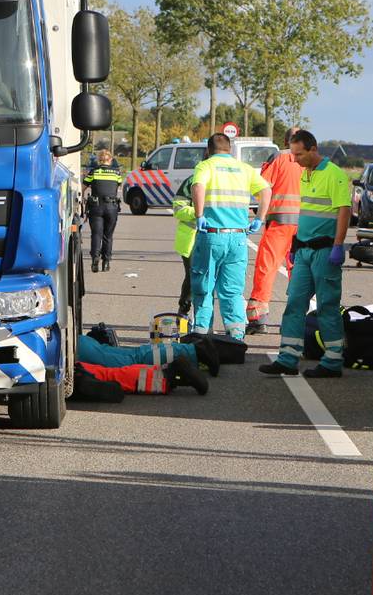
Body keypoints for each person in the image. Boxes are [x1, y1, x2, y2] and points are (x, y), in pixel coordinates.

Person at [259, 129, 353, 378]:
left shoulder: (335, 175)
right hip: (303, 250)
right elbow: (306, 212)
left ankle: (332, 361)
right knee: (294, 304)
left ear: (313, 149)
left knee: (327, 306)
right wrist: (296, 243)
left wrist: (338, 245)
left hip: (325, 251)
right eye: (293, 154)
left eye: (299, 154)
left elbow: (344, 211)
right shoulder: (304, 174)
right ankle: (287, 358)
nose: (295, 159)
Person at [189, 133, 271, 341]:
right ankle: (235, 337)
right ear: (230, 149)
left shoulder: (206, 166)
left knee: (204, 287)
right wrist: (259, 218)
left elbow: (197, 186)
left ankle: (202, 335)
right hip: (238, 238)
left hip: (212, 235)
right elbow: (266, 190)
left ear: (208, 150)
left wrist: (199, 215)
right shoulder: (244, 169)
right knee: (232, 291)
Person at [245, 129, 303, 334]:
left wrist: (260, 216)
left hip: (280, 223)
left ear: (285, 141)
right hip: (305, 225)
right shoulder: (313, 162)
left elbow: (262, 188)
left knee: (266, 267)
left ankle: (258, 318)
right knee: (300, 271)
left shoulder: (279, 157)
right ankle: (299, 320)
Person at [77, 332, 214, 395]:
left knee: (112, 375)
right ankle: (192, 350)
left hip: (73, 353)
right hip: (77, 344)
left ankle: (167, 375)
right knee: (134, 356)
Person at [83, 148, 122, 272]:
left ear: (99, 160)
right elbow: (118, 185)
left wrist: (82, 200)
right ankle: (106, 262)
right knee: (108, 236)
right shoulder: (116, 173)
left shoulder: (94, 172)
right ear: (110, 160)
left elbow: (83, 187)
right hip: (111, 207)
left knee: (96, 234)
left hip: (96, 207)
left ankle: (95, 259)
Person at [171, 177, 197, 314]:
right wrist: (199, 211)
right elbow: (179, 209)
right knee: (193, 275)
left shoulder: (227, 179)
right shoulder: (192, 181)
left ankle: (203, 318)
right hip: (192, 238)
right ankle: (184, 310)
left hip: (221, 238)